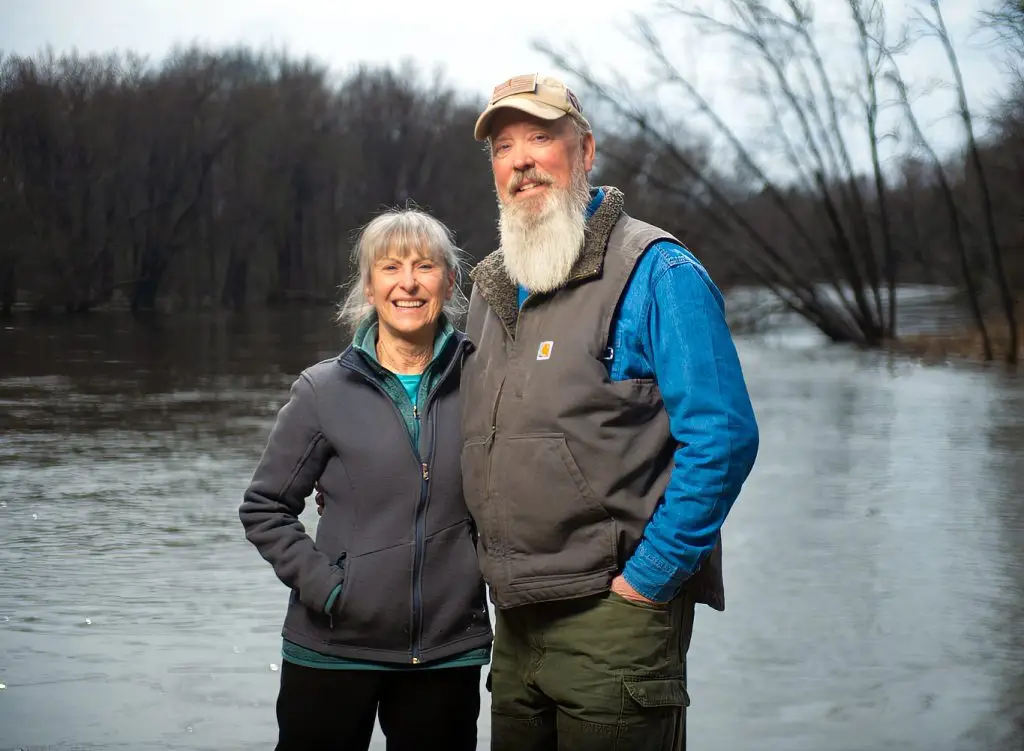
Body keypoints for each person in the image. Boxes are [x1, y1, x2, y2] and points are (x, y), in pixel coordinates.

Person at [460, 73, 760, 750]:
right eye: (504, 147)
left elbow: (724, 438)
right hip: (513, 627)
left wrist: (648, 580)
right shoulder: (489, 287)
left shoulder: (657, 271)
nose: (521, 160)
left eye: (541, 137)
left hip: (613, 620)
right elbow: (465, 430)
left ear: (586, 150)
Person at [239, 208, 492, 751]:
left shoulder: (486, 380)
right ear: (369, 286)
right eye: (390, 267)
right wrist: (328, 588)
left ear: (449, 282)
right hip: (333, 648)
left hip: (447, 651)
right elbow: (265, 508)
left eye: (424, 266)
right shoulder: (322, 390)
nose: (408, 282)